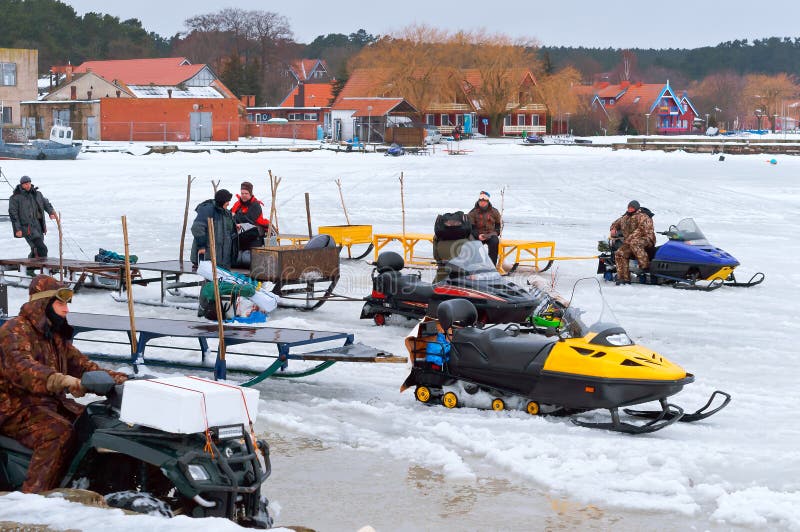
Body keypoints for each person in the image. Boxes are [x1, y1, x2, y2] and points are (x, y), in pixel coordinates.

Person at [0, 275, 127, 492]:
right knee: (57, 432)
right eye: (61, 303)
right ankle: (33, 498)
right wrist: (62, 381)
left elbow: (83, 365)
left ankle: (86, 485)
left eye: (67, 303)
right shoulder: (14, 331)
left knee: (95, 424)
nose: (66, 309)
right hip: (15, 408)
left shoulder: (53, 336)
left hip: (48, 406)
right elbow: (23, 369)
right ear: (42, 304)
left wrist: (124, 380)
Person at [8, 176, 57, 262]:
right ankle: (43, 268)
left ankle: (29, 269)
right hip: (27, 228)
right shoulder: (15, 197)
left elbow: (46, 204)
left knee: (36, 249)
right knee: (42, 249)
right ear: (21, 185)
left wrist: (51, 212)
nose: (28, 185)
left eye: (29, 183)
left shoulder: (37, 194)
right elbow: (13, 215)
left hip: (39, 225)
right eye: (25, 184)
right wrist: (17, 229)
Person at [609, 200, 656, 285]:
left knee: (634, 242)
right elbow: (615, 223)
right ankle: (623, 278)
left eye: (632, 208)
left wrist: (629, 239)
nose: (630, 209)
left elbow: (641, 230)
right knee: (619, 253)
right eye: (629, 207)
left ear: (636, 208)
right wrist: (613, 229)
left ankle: (645, 266)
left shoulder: (643, 216)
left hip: (646, 239)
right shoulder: (624, 218)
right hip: (630, 241)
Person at [190, 189, 236, 270]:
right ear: (222, 201)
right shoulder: (208, 210)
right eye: (227, 201)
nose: (229, 203)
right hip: (209, 256)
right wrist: (201, 246)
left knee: (221, 281)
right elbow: (197, 228)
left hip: (223, 259)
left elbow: (228, 229)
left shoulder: (226, 212)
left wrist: (235, 227)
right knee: (210, 280)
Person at [230, 181, 270, 253]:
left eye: (246, 193)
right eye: (242, 193)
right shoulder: (238, 204)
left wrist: (235, 216)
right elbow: (229, 215)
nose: (244, 195)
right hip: (241, 235)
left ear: (251, 194)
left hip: (255, 237)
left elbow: (248, 219)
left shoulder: (256, 205)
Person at [467, 191, 502, 265]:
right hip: (478, 235)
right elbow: (471, 228)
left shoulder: (494, 212)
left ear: (488, 201)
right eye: (480, 201)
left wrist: (496, 233)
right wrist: (477, 235)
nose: (482, 203)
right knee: (472, 244)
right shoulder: (472, 213)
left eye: (484, 201)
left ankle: (492, 266)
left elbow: (499, 225)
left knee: (495, 242)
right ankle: (475, 266)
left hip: (490, 234)